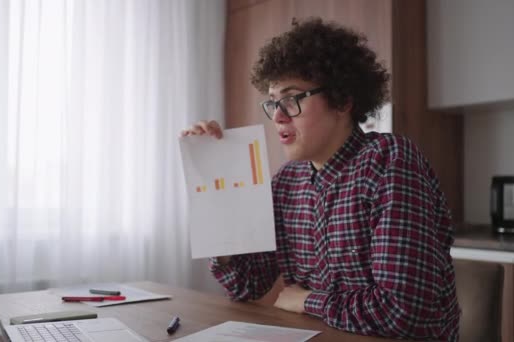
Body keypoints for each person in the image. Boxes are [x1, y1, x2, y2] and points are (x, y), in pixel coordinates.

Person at [181, 18, 459, 341]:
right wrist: (218, 178)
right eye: (272, 102)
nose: (278, 116)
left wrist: (307, 300)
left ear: (342, 100)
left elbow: (402, 311)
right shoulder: (287, 182)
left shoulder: (390, 162)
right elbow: (248, 283)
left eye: (292, 98)